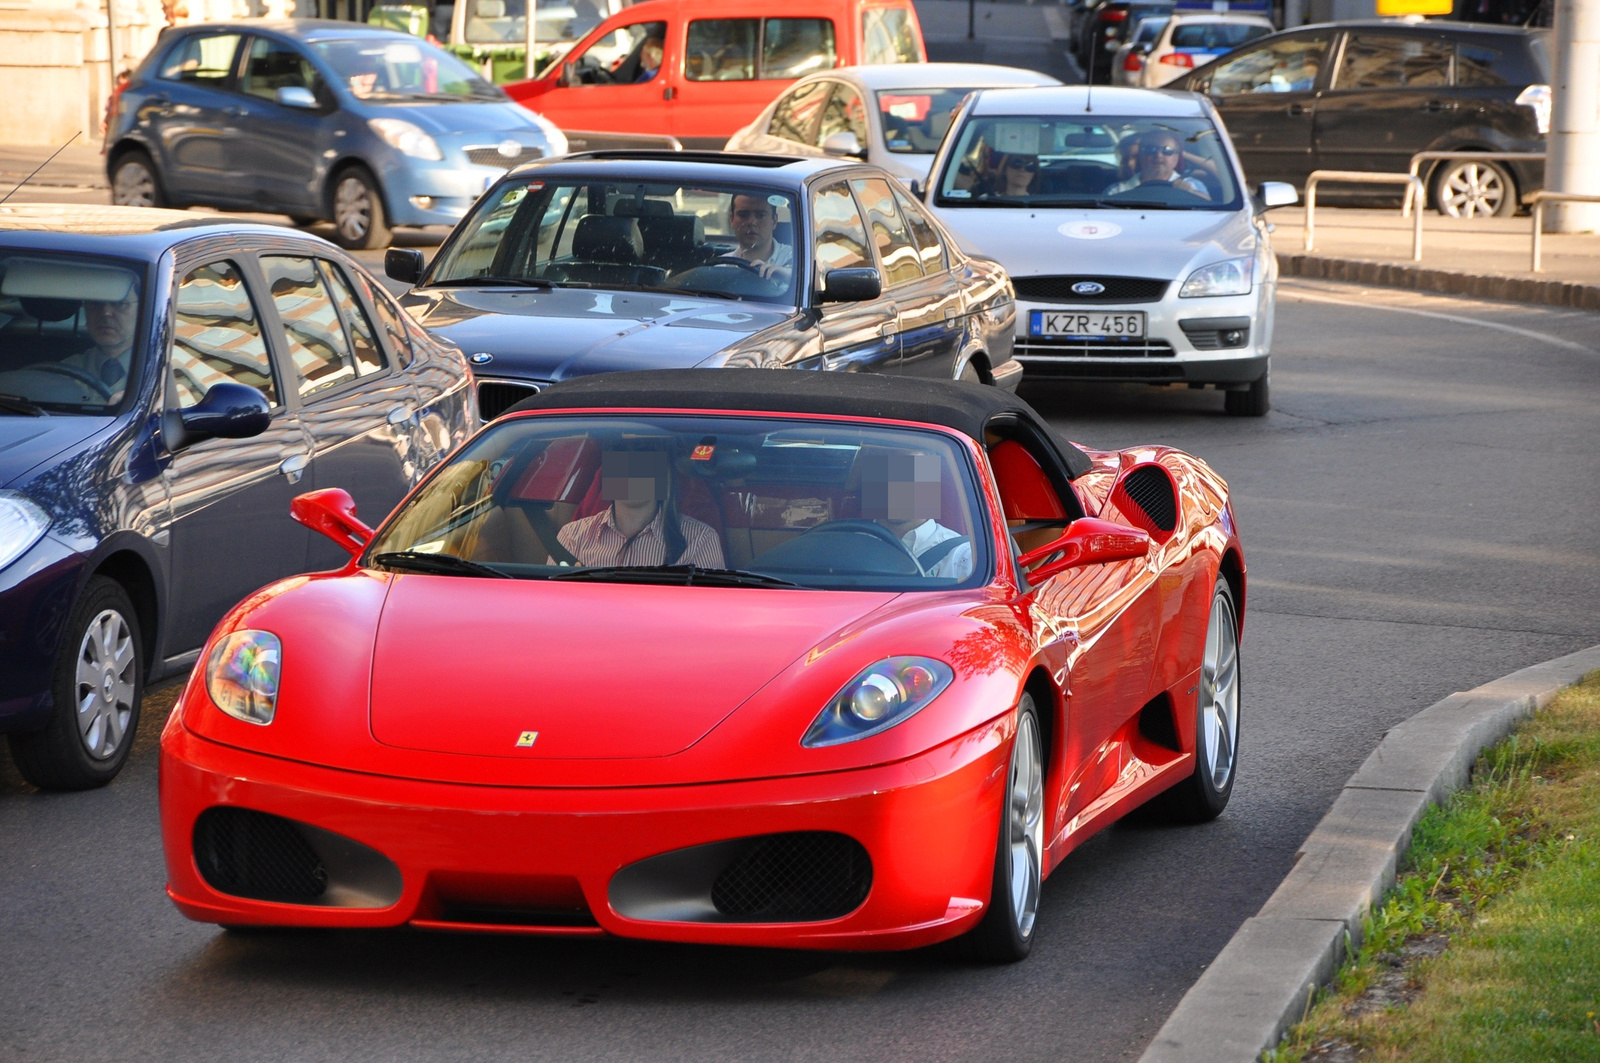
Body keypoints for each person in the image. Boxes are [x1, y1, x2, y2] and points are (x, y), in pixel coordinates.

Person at [557, 450, 725, 568]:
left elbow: (705, 612)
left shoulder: (700, 540)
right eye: (622, 456)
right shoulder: (572, 537)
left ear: (665, 474)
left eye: (645, 458)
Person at [55, 286, 140, 404]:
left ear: (142, 310)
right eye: (96, 303)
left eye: (120, 303)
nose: (105, 312)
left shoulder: (155, 376)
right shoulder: (64, 371)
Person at [1101, 130, 1210, 199]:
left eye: (1167, 151)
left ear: (1176, 158)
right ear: (1140, 156)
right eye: (1150, 149)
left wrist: (1189, 193)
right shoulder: (1116, 191)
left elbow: (1209, 209)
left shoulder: (1192, 185)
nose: (1158, 155)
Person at [720, 193, 793, 280]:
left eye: (760, 215)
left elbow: (810, 279)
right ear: (732, 219)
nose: (751, 222)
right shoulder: (720, 267)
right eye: (743, 215)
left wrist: (789, 275)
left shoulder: (796, 258)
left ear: (774, 220)